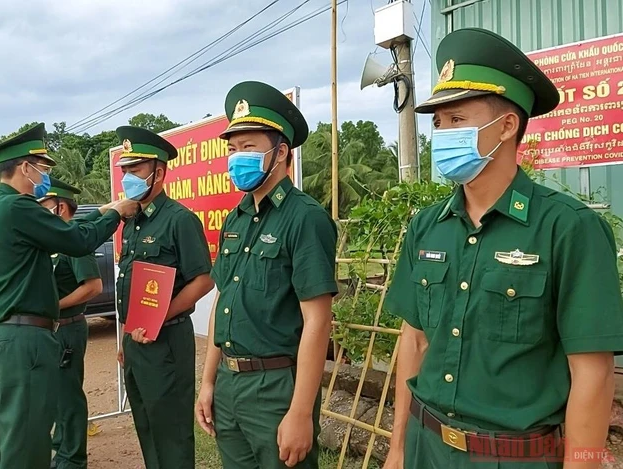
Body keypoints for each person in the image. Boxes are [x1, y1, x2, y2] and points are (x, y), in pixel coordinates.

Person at [382, 28, 623, 469]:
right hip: (425, 446)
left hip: (512, 458)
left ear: (507, 126)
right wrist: (398, 448)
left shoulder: (569, 230)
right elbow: (414, 342)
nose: (442, 133)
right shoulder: (426, 228)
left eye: (457, 120)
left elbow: (592, 372)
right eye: (438, 122)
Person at [0, 123, 139, 469]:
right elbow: (75, 241)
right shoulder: (18, 207)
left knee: (9, 437)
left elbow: (65, 233)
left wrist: (100, 213)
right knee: (28, 443)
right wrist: (115, 214)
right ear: (25, 168)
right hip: (24, 338)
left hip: (3, 337)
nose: (45, 177)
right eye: (44, 169)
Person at [195, 81, 339, 469]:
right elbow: (222, 300)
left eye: (249, 147)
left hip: (276, 387)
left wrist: (299, 412)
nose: (236, 158)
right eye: (232, 149)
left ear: (280, 153)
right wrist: (208, 382)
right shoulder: (236, 218)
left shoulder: (305, 218)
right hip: (230, 382)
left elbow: (317, 320)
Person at [107, 125, 214, 468]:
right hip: (137, 344)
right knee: (148, 429)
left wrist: (158, 317)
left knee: (171, 434)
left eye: (135, 170)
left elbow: (203, 280)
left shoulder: (179, 220)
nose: (128, 178)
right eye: (125, 171)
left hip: (166, 344)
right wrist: (127, 338)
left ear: (159, 172)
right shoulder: (133, 221)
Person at [38, 177, 103, 469]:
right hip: (52, 329)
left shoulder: (74, 239)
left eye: (44, 206)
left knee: (68, 396)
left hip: (67, 327)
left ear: (60, 206)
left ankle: (73, 458)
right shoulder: (51, 240)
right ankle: (60, 450)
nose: (39, 210)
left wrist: (51, 306)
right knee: (54, 396)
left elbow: (93, 287)